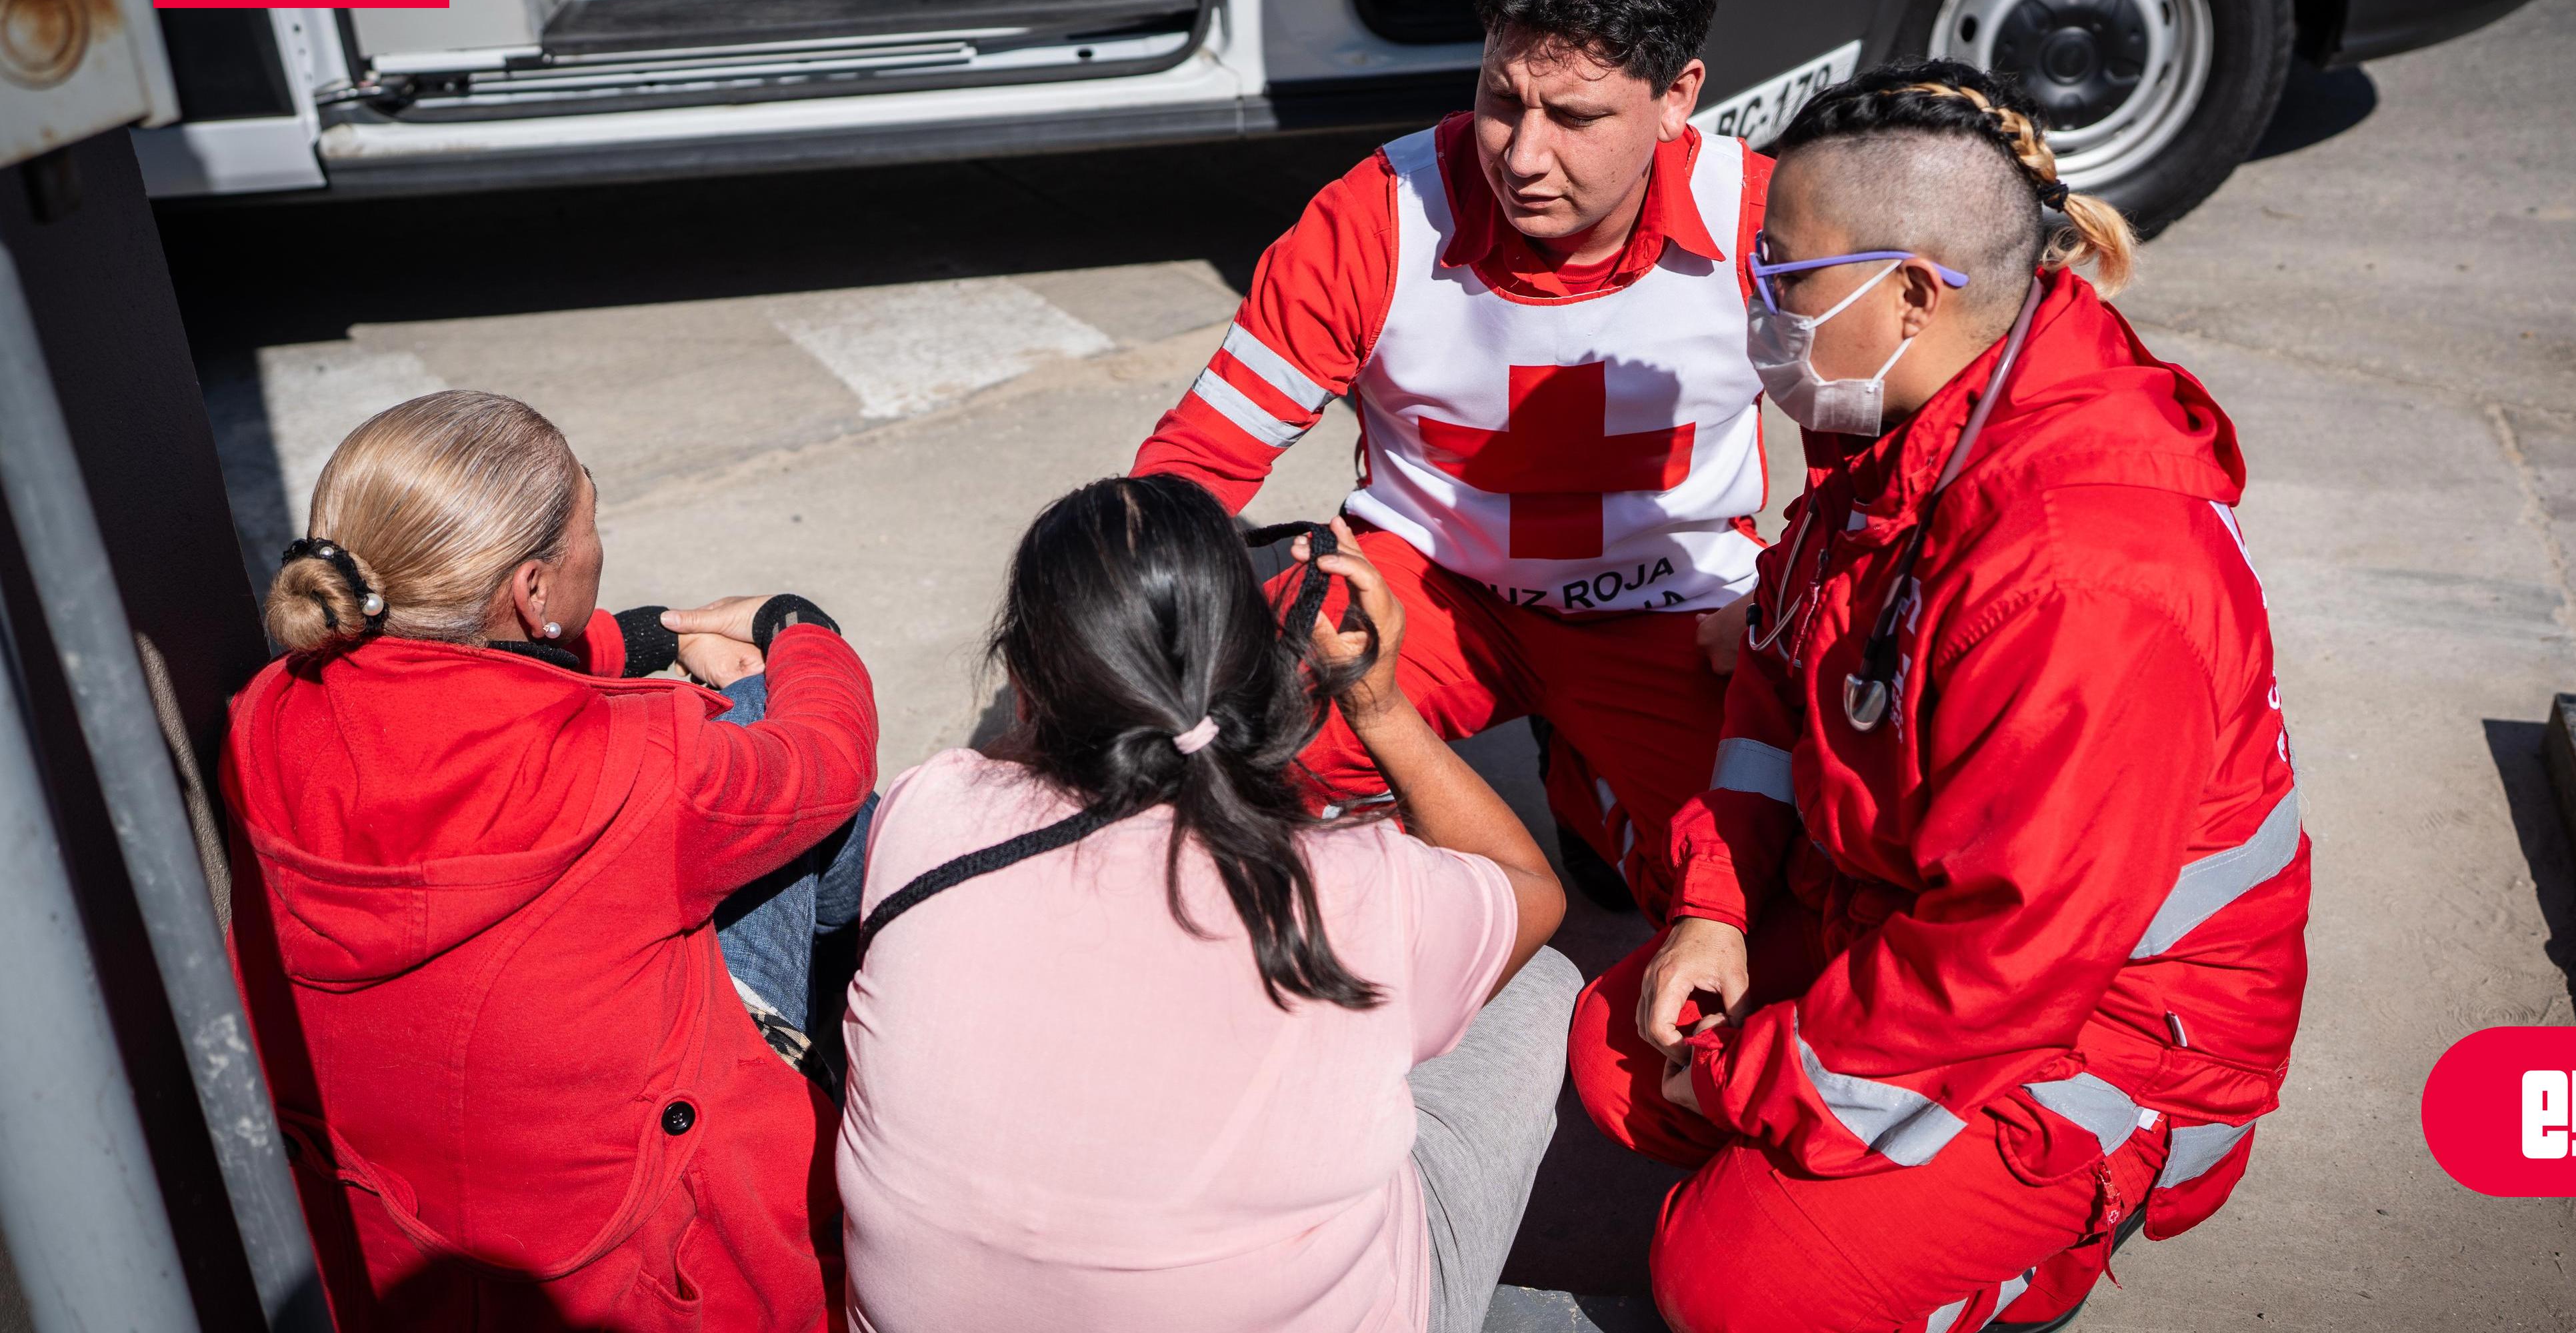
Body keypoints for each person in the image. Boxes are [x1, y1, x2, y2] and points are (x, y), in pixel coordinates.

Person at [1567, 63, 2311, 1333]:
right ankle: (1850, 1177)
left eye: (1786, 279)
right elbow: (1778, 689)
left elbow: (2011, 951)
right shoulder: (1897, 437)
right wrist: (1715, 913)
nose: (1760, 309)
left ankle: (2051, 1236)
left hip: (2105, 1029)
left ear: (1911, 292)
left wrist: (1756, 1084)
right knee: (1615, 1047)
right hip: (1914, 925)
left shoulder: (2087, 574)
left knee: (1724, 1284)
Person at [1132, 0, 1777, 920]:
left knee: (1766, 889)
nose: (1521, 156)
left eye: (1574, 119)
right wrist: (1126, 639)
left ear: (1677, 99)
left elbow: (1892, 466)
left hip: (1675, 603)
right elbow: (1193, 468)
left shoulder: (1769, 221)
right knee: (1208, 783)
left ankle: (1584, 777)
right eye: (1499, 98)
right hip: (1428, 588)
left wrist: (1785, 582)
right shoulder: (1375, 215)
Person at [836, 475, 1578, 1333]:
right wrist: (1377, 704)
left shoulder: (928, 808)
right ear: (1266, 672)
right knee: (1534, 977)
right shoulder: (1351, 882)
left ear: (1022, 682)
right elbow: (1530, 889)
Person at [220, 390, 879, 1332]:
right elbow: (823, 759)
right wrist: (798, 629)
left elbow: (448, 678)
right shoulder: (642, 766)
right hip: (639, 1271)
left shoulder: (270, 714)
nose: (597, 545)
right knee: (842, 815)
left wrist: (636, 636)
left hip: (390, 1253)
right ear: (532, 593)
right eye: (589, 525)